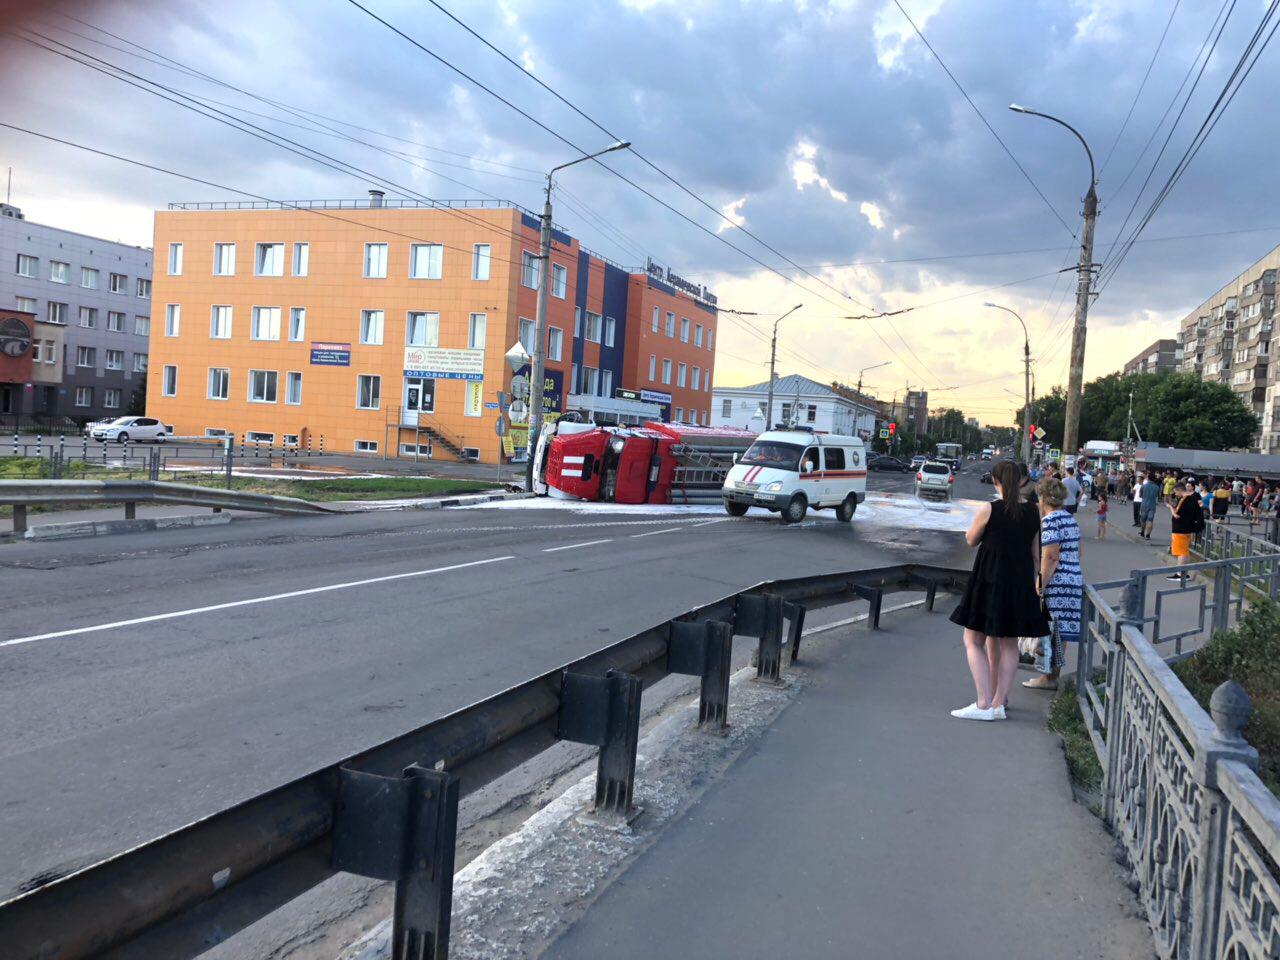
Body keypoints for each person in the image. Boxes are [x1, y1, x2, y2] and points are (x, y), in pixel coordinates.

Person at [948, 459, 1050, 721]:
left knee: (973, 641)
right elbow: (1036, 554)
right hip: (1020, 584)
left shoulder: (989, 509)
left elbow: (971, 540)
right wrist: (1036, 583)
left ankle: (982, 704)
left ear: (996, 482)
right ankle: (998, 704)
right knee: (1009, 645)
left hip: (989, 581)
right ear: (1021, 481)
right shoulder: (1033, 512)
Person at [1024, 476, 1082, 690]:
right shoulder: (1069, 518)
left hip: (1057, 581)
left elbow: (1050, 556)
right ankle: (1053, 677)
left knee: (1048, 630)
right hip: (1073, 579)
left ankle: (1047, 678)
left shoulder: (1050, 520)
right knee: (1060, 632)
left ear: (1043, 498)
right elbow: (1079, 552)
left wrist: (1041, 581)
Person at [1167, 479, 1205, 581]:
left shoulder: (1184, 499)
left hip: (1180, 529)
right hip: (1188, 528)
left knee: (1181, 552)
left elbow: (1177, 515)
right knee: (1185, 552)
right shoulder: (1193, 498)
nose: (1175, 494)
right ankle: (1184, 573)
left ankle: (1180, 574)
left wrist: (1170, 507)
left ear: (1180, 490)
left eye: (1176, 491)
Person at [1139, 472, 1161, 540]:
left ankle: (1142, 532)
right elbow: (1158, 496)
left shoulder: (1143, 486)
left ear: (1148, 478)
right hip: (1152, 505)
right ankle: (1148, 535)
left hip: (1144, 504)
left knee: (1143, 520)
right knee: (1150, 520)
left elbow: (1140, 495)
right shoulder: (1157, 487)